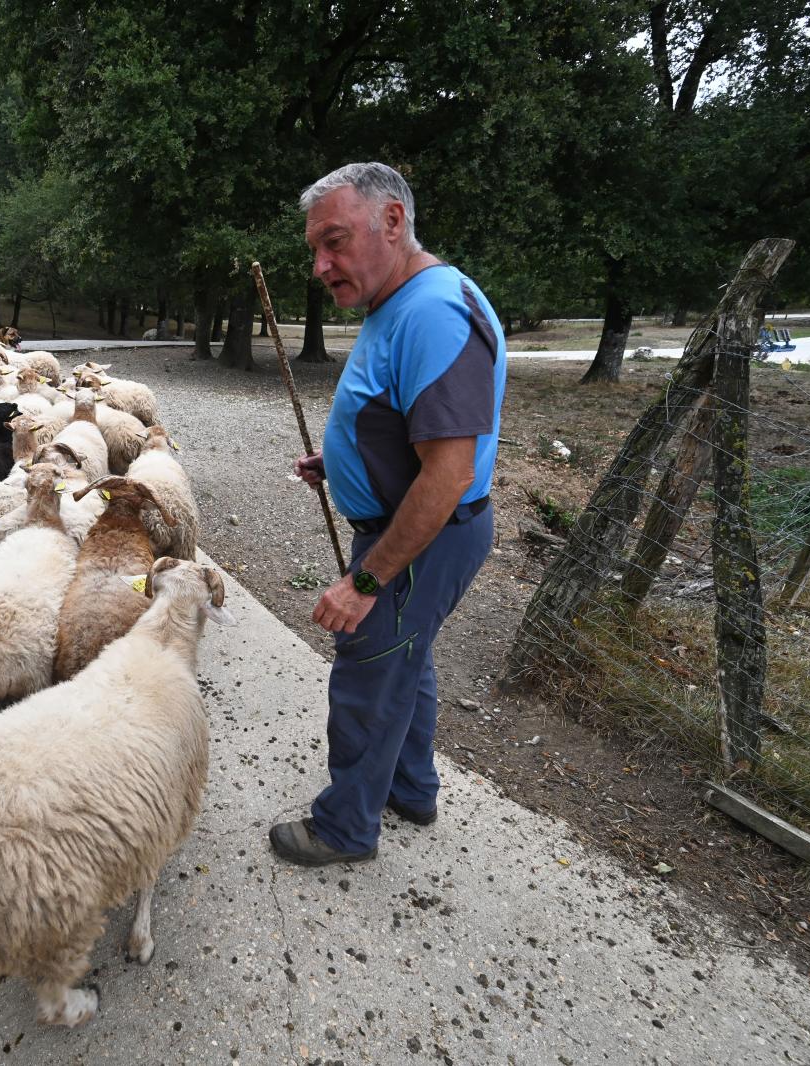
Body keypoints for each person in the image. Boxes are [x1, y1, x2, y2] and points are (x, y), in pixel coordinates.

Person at [268, 162, 506, 867]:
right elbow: (404, 423)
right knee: (407, 658)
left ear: (393, 221)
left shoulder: (435, 311)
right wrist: (341, 465)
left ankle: (345, 828)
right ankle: (411, 788)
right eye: (316, 248)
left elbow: (448, 474)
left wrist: (363, 583)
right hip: (416, 530)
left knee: (369, 668)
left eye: (335, 243)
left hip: (422, 540)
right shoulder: (398, 303)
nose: (321, 265)